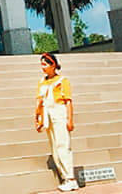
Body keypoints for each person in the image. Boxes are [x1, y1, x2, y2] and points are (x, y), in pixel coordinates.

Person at [34, 51, 77, 192]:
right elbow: (39, 101)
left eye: (45, 64)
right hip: (47, 115)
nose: (43, 67)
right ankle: (65, 178)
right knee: (54, 148)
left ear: (53, 65)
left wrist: (70, 120)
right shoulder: (42, 82)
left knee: (62, 145)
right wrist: (37, 118)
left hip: (60, 114)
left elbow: (68, 102)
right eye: (41, 64)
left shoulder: (62, 81)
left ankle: (71, 178)